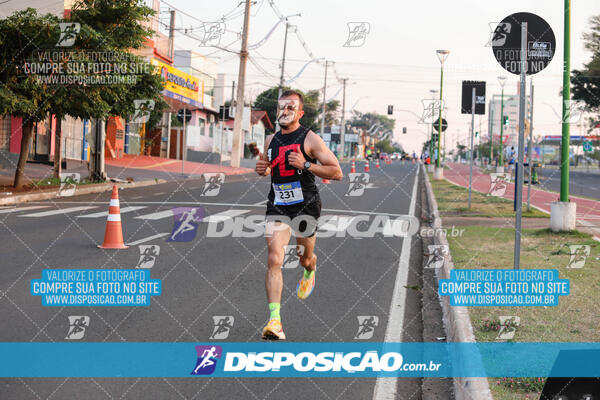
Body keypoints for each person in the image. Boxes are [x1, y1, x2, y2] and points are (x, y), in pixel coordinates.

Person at [255, 90, 343, 340]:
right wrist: (262, 169)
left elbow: (336, 172)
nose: (284, 112)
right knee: (274, 258)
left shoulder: (311, 139)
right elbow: (268, 168)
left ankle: (309, 270)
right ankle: (275, 321)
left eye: (290, 108)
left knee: (303, 257)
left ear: (300, 113)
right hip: (278, 206)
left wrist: (305, 164)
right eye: (281, 107)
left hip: (306, 205)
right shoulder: (271, 139)